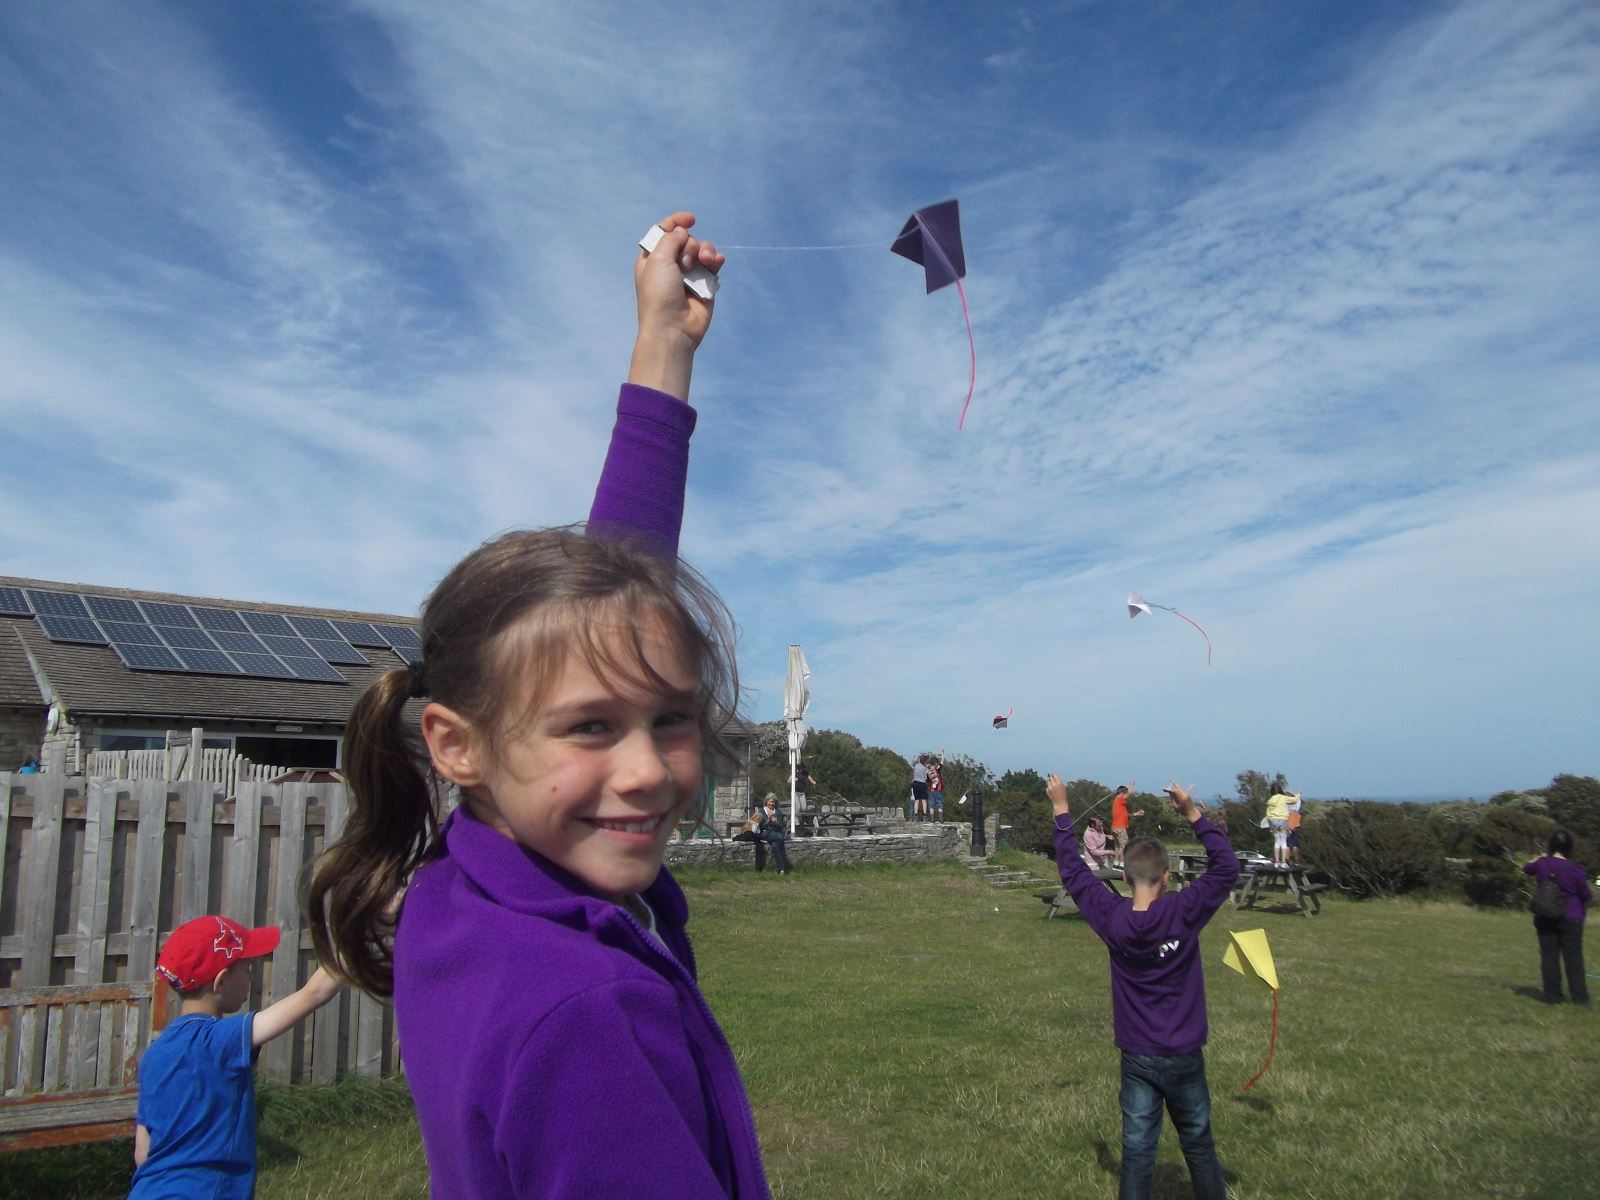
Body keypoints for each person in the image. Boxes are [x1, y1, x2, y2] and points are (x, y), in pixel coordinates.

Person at [307, 213, 771, 1198]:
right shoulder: (585, 1015)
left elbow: (610, 604)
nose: (646, 769)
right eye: (591, 727)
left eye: (671, 717)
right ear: (456, 744)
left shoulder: (464, 886)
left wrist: (660, 348)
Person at [1047, 773, 1239, 1200]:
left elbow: (1074, 873)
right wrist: (1191, 812)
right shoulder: (1184, 911)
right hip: (1185, 1052)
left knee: (1136, 1151)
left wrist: (1062, 810)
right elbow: (1227, 866)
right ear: (1167, 878)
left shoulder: (1112, 918)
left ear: (1126, 877)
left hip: (1138, 1056)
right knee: (1199, 1144)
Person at [130, 915, 342, 1198]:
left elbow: (142, 1152)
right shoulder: (220, 1039)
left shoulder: (155, 1053)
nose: (251, 978)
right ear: (221, 981)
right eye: (246, 969)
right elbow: (314, 994)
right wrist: (355, 943)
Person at [1524, 830, 1593, 1004]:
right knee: (1573, 958)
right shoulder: (1575, 868)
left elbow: (1527, 868)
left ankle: (1552, 996)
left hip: (1546, 914)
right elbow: (1585, 894)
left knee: (1549, 956)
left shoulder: (1542, 863)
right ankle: (1579, 997)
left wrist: (1540, 856)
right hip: (1572, 915)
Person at [754, 792, 791, 874]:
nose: (771, 803)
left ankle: (781, 869)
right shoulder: (761, 811)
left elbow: (781, 826)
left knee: (775, 846)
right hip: (764, 833)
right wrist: (767, 821)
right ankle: (781, 868)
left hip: (775, 833)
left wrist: (776, 822)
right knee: (780, 837)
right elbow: (754, 824)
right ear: (766, 802)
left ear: (775, 802)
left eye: (773, 802)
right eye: (770, 801)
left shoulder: (778, 812)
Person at [1265, 786, 1299, 867]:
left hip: (1273, 820)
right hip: (1282, 819)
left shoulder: (1270, 800)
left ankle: (1277, 862)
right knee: (1283, 842)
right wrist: (1298, 794)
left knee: (1277, 841)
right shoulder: (1283, 798)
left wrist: (1270, 824)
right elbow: (1294, 800)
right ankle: (1283, 862)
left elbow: (1268, 813)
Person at [1110, 781, 1143, 855]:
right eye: (1124, 793)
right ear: (1122, 793)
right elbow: (1129, 793)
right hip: (1120, 827)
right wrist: (1131, 785)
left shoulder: (1117, 802)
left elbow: (1124, 814)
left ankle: (1116, 865)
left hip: (1115, 827)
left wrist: (1136, 814)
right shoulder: (1120, 799)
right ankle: (1122, 864)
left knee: (1118, 847)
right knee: (1124, 846)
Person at [927, 748, 946, 822]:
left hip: (931, 791)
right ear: (935, 764)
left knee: (931, 806)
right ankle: (941, 821)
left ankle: (932, 821)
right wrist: (942, 753)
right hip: (939, 790)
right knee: (940, 806)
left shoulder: (928, 772)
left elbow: (928, 781)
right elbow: (942, 762)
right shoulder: (937, 770)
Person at [1285, 792, 1304, 863]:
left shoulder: (1285, 805)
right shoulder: (1297, 804)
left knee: (1287, 845)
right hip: (1296, 826)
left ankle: (1286, 861)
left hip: (1289, 826)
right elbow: (1298, 797)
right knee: (1295, 845)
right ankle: (1297, 861)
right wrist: (1292, 793)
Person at [911, 756, 930, 821]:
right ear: (925, 761)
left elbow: (921, 764)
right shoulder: (925, 769)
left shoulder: (916, 766)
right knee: (924, 800)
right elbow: (928, 775)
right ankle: (924, 816)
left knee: (917, 801)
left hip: (915, 783)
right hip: (922, 784)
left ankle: (916, 816)